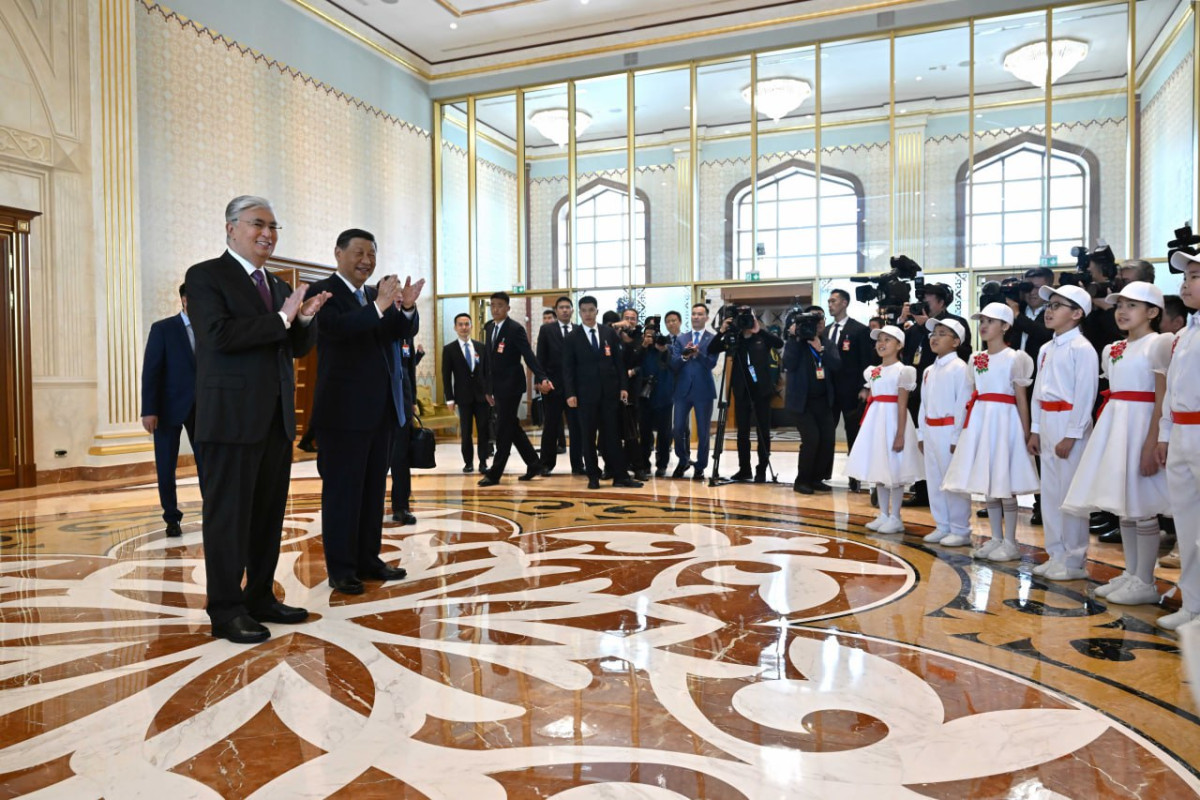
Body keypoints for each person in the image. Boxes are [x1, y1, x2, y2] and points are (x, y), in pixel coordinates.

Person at [185, 195, 330, 644]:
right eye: (258, 225)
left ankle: (261, 597)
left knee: (268, 514)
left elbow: (296, 348)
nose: (267, 234)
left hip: (274, 420)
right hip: (229, 419)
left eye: (273, 226)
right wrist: (282, 320)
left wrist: (302, 320)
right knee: (228, 517)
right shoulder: (206, 276)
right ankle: (226, 610)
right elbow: (217, 335)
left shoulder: (280, 287)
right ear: (231, 228)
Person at [309, 229, 420, 596]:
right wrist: (379, 307)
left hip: (380, 412)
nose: (366, 261)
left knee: (373, 491)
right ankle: (341, 569)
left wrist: (406, 308)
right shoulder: (323, 292)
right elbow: (339, 329)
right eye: (358, 253)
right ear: (338, 252)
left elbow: (397, 332)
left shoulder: (376, 295)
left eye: (371, 254)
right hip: (342, 415)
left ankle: (368, 559)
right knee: (343, 493)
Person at [1062, 282, 1171, 605]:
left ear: (1152, 313)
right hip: (1116, 425)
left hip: (1141, 425)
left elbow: (1162, 396)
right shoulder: (1112, 349)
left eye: (1132, 306)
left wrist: (1154, 440)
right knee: (1125, 506)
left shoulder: (1159, 344)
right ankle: (1132, 572)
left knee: (1143, 506)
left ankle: (1145, 580)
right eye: (1119, 305)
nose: (1122, 311)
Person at [942, 303, 1039, 561]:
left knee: (1004, 482)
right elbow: (968, 395)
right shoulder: (976, 359)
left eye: (991, 321)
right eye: (982, 320)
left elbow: (1021, 399)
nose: (984, 325)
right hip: (981, 421)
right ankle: (995, 539)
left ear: (1005, 326)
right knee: (989, 482)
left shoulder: (1016, 358)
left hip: (1005, 422)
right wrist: (960, 431)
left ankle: (1011, 542)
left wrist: (1026, 432)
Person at [1027, 284, 1100, 582]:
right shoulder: (1045, 348)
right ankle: (1055, 553)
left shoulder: (1082, 348)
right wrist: (1034, 428)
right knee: (1051, 492)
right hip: (1047, 420)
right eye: (1049, 305)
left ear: (1077, 313)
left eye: (1057, 305)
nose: (1049, 310)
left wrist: (1073, 433)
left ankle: (1074, 558)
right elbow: (1037, 392)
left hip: (1069, 421)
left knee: (1071, 494)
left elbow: (1086, 393)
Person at [1154, 250, 1200, 630]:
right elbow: (1170, 389)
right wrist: (1165, 433)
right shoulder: (1183, 334)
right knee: (1186, 523)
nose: (1186, 283)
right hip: (1183, 432)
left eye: (1196, 275)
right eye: (1185, 276)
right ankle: (1193, 603)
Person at [844, 325, 923, 534]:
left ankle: (896, 516)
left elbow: (902, 404)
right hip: (875, 422)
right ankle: (884, 514)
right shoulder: (873, 371)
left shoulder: (904, 371)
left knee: (895, 471)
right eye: (879, 339)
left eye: (888, 340)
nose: (881, 343)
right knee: (879, 469)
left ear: (899, 345)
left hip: (893, 421)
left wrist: (900, 433)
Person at [141, 282, 204, 538]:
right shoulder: (163, 329)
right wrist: (149, 410)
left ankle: (212, 511)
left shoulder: (210, 329)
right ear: (184, 300)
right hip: (167, 409)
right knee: (166, 465)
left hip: (203, 408)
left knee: (208, 463)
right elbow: (151, 371)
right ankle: (171, 517)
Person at [901, 283, 971, 508]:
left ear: (941, 302)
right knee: (928, 460)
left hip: (947, 403)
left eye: (928, 300)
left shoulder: (955, 324)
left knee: (949, 468)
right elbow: (903, 352)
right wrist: (905, 322)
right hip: (922, 391)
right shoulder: (915, 328)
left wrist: (925, 328)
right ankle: (923, 494)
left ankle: (957, 522)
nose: (923, 304)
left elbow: (964, 351)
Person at [562, 296, 642, 490]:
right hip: (584, 396)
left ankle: (620, 476)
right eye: (584, 310)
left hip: (609, 394)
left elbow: (618, 362)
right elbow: (567, 369)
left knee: (612, 436)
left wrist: (623, 387)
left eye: (591, 310)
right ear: (579, 313)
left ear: (597, 311)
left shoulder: (608, 333)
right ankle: (593, 476)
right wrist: (570, 393)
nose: (588, 314)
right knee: (588, 437)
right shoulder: (572, 337)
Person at [479, 291, 553, 486]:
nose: (495, 309)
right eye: (493, 305)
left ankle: (494, 474)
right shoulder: (489, 328)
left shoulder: (515, 329)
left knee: (503, 428)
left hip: (511, 386)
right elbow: (487, 360)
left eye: (500, 305)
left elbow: (528, 355)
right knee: (511, 426)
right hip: (495, 386)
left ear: (508, 308)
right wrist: (487, 388)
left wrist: (542, 376)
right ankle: (534, 462)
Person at [916, 319, 973, 547]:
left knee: (953, 480)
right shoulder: (929, 370)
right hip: (931, 429)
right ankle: (942, 524)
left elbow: (963, 403)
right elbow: (923, 403)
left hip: (949, 429)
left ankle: (960, 528)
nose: (935, 337)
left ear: (956, 341)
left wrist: (957, 435)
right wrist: (921, 433)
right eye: (933, 333)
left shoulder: (960, 368)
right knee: (935, 479)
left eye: (942, 333)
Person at [710, 310, 783, 482]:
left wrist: (759, 330)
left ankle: (761, 470)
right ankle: (745, 469)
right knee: (742, 432)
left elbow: (779, 343)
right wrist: (722, 331)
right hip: (741, 391)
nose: (744, 322)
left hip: (762, 391)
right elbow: (711, 349)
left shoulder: (762, 337)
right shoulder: (735, 339)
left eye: (748, 318)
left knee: (762, 432)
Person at [782, 315, 840, 494]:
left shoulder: (827, 343)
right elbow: (788, 364)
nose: (817, 326)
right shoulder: (796, 342)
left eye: (820, 322)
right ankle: (802, 480)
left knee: (826, 439)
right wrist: (793, 338)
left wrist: (821, 350)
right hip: (801, 402)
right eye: (813, 323)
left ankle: (816, 478)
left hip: (823, 401)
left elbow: (837, 366)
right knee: (811, 438)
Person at [826, 289, 873, 492]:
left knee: (853, 433)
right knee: (827, 432)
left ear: (844, 303)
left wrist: (865, 387)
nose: (830, 304)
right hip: (828, 391)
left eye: (834, 301)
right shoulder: (825, 330)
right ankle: (823, 474)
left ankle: (855, 476)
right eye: (829, 301)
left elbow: (867, 360)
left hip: (852, 390)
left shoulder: (859, 330)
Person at [670, 303, 718, 481]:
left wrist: (698, 354)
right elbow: (674, 364)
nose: (696, 317)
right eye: (693, 314)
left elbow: (712, 363)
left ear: (706, 318)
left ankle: (700, 466)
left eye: (700, 314)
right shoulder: (682, 338)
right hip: (682, 390)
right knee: (677, 429)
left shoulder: (712, 339)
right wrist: (684, 355)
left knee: (704, 431)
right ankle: (683, 460)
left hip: (703, 391)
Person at [537, 296, 583, 475]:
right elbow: (540, 357)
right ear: (556, 311)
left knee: (576, 428)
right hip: (552, 387)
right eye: (561, 307)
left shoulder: (580, 330)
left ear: (572, 311)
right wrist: (540, 381)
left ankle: (578, 465)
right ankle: (546, 464)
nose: (564, 310)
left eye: (567, 307)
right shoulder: (546, 330)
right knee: (550, 427)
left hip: (575, 389)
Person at [443, 312, 490, 474]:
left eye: (466, 324)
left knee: (484, 429)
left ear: (471, 326)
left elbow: (487, 372)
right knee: (466, 430)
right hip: (462, 397)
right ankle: (468, 462)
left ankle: (483, 461)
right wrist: (449, 398)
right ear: (455, 328)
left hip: (483, 396)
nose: (464, 327)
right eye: (460, 324)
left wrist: (491, 392)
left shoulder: (481, 347)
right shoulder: (449, 349)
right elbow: (446, 375)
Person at [389, 335, 423, 525]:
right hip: (375, 401)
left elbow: (410, 369)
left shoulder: (404, 333)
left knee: (401, 457)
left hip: (403, 400)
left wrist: (412, 400)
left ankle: (401, 506)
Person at [639, 324, 675, 478]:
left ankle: (662, 464)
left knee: (664, 433)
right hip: (644, 396)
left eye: (653, 335)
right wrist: (642, 346)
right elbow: (633, 362)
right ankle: (644, 464)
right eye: (648, 335)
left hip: (664, 396)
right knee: (644, 432)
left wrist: (664, 349)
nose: (651, 338)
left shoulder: (666, 348)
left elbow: (675, 363)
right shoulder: (641, 350)